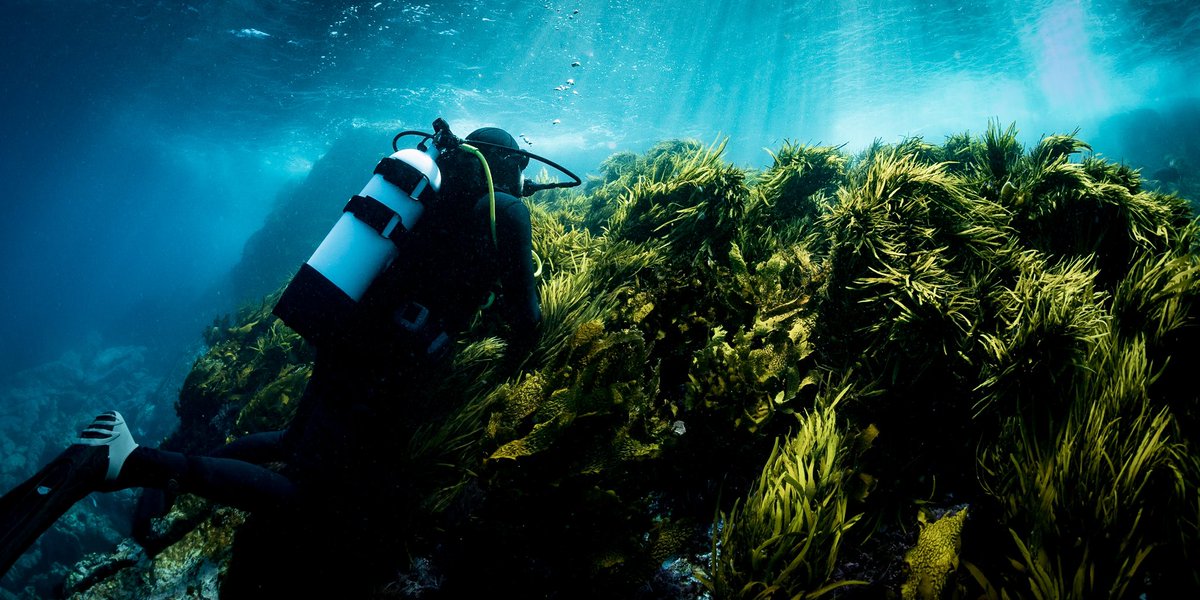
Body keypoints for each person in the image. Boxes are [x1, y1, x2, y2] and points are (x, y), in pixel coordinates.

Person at [0, 123, 561, 596]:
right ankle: (132, 462)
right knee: (310, 497)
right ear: (507, 164)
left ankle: (167, 478)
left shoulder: (433, 202)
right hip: (385, 367)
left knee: (295, 443)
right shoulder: (504, 211)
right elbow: (526, 323)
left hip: (347, 336)